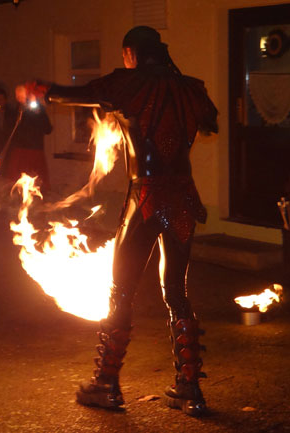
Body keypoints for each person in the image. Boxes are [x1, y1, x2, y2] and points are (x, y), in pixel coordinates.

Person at [29, 26, 218, 416]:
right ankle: (190, 390)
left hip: (146, 199)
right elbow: (211, 121)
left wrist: (43, 90)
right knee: (177, 293)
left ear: (131, 53)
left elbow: (86, 94)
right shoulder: (191, 89)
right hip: (182, 199)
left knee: (121, 291)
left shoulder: (128, 84)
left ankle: (107, 385)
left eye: (126, 55)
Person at [4, 85, 52, 191]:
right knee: (15, 183)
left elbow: (48, 129)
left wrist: (38, 111)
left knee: (36, 183)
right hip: (19, 150)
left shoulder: (38, 110)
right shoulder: (16, 110)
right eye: (17, 95)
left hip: (34, 151)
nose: (19, 98)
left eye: (21, 95)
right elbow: (10, 128)